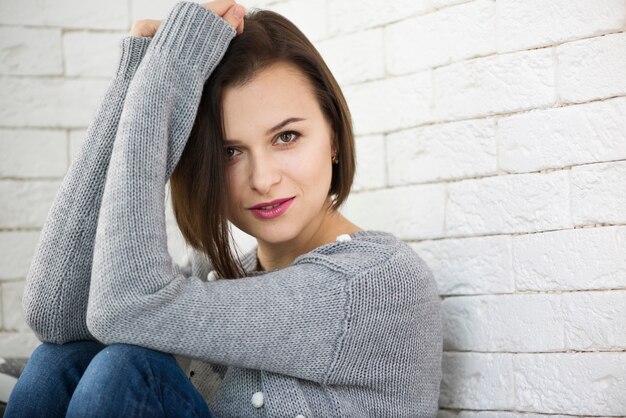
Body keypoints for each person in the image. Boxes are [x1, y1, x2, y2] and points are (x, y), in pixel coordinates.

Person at [5, 0, 443, 416]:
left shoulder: (376, 284)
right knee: (60, 362)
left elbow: (123, 306)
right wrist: (130, 85)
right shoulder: (220, 275)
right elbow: (56, 316)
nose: (263, 178)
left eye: (287, 137)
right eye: (230, 152)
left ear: (332, 135)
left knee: (124, 368)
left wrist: (163, 82)